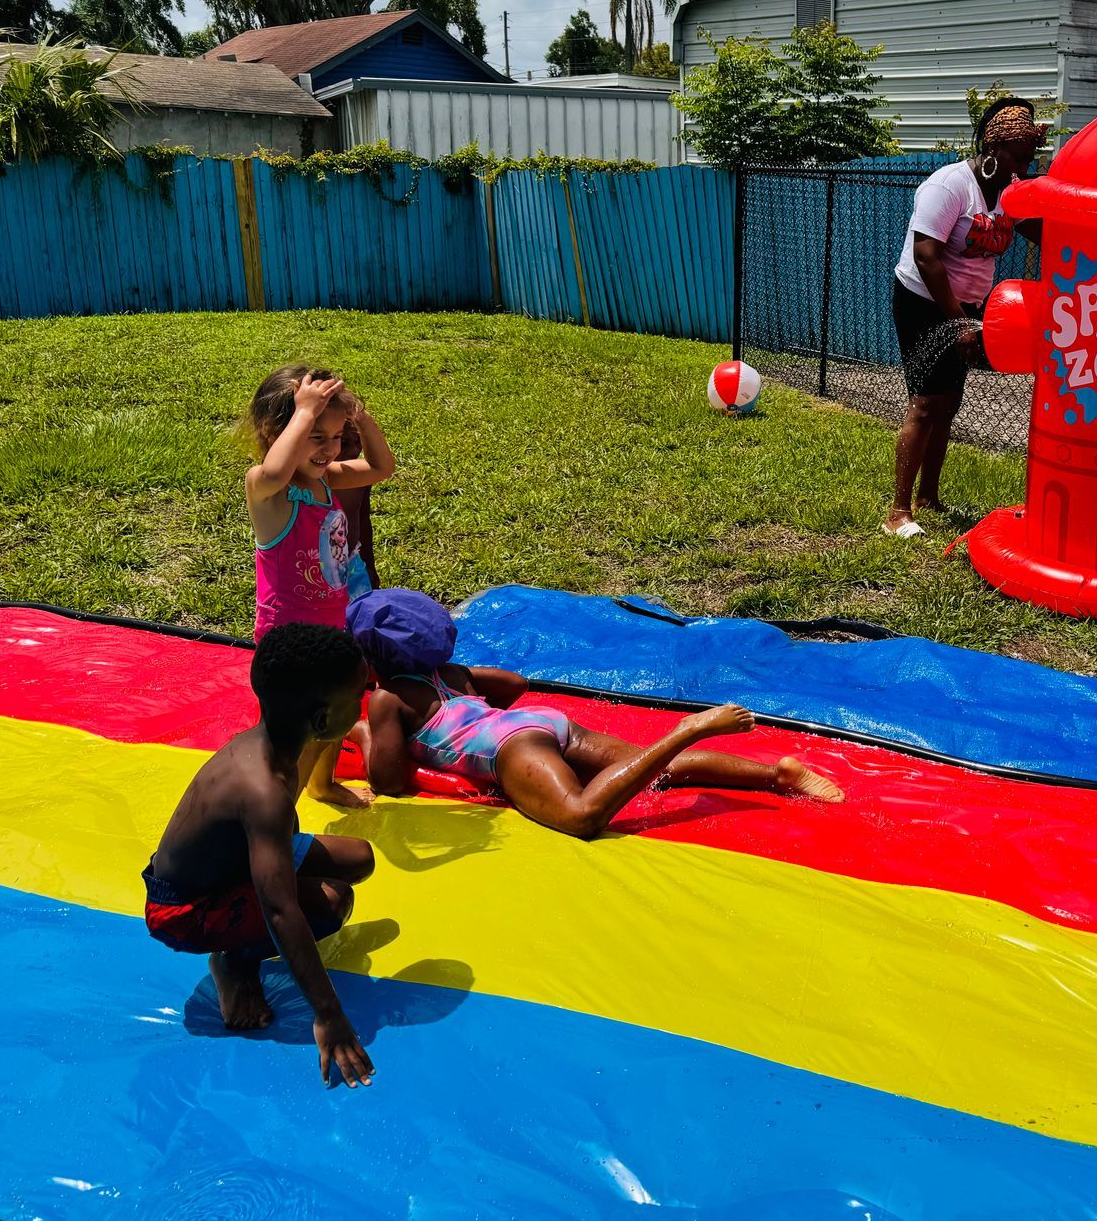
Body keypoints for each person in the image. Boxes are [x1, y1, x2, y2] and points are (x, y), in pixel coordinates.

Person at [349, 588, 844, 839]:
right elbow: (515, 685)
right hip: (540, 724)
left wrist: (363, 733)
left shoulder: (388, 700)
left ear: (370, 660)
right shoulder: (453, 673)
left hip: (510, 749)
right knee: (653, 770)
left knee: (581, 815)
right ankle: (776, 775)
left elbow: (389, 780)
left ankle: (686, 730)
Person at [144, 624, 379, 1088]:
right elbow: (279, 909)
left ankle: (241, 939)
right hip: (184, 908)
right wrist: (328, 1014)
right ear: (321, 719)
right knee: (332, 902)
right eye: (358, 695)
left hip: (227, 867)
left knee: (360, 859)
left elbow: (277, 830)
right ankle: (234, 962)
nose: (362, 705)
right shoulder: (263, 789)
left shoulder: (275, 742)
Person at [885, 97, 1047, 539]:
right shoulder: (950, 185)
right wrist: (959, 323)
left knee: (950, 404)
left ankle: (929, 497)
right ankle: (898, 511)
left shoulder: (1010, 193)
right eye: (1017, 158)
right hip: (923, 300)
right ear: (993, 149)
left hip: (969, 307)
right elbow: (926, 257)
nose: (1022, 168)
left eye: (1029, 161)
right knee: (926, 403)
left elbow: (1042, 231)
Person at [245, 365, 395, 808]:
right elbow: (274, 471)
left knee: (338, 711)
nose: (328, 449)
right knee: (290, 733)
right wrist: (304, 412)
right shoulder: (267, 489)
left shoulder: (328, 479)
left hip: (331, 625)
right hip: (288, 640)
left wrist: (361, 418)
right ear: (278, 430)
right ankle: (277, 809)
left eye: (335, 436)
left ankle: (322, 784)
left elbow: (381, 467)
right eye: (316, 435)